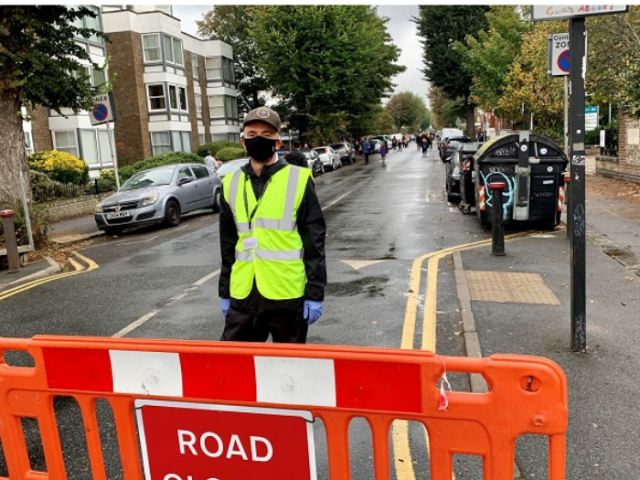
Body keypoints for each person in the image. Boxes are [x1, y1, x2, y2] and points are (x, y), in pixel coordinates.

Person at [218, 106, 327, 343]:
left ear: (278, 142)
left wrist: (315, 293)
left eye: (267, 135)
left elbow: (314, 243)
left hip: (286, 294)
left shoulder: (298, 179)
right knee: (237, 368)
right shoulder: (230, 183)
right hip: (244, 294)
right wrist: (224, 291)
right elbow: (227, 245)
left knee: (289, 371)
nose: (259, 139)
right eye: (253, 134)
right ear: (243, 141)